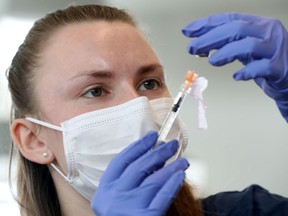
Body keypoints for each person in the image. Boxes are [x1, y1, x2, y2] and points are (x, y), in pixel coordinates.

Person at [6, 4, 288, 216]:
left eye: (149, 83)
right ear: (34, 139)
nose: (138, 105)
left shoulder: (248, 210)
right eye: (95, 90)